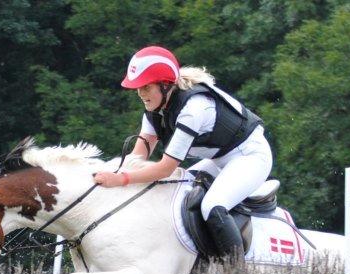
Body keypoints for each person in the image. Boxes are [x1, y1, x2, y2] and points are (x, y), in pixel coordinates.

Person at [92, 45, 273, 258]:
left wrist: (120, 179)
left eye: (146, 87)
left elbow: (165, 169)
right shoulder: (154, 109)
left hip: (250, 156)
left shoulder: (193, 109)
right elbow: (138, 156)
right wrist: (106, 171)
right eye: (138, 89)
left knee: (212, 206)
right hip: (217, 160)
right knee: (180, 198)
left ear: (165, 85)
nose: (141, 94)